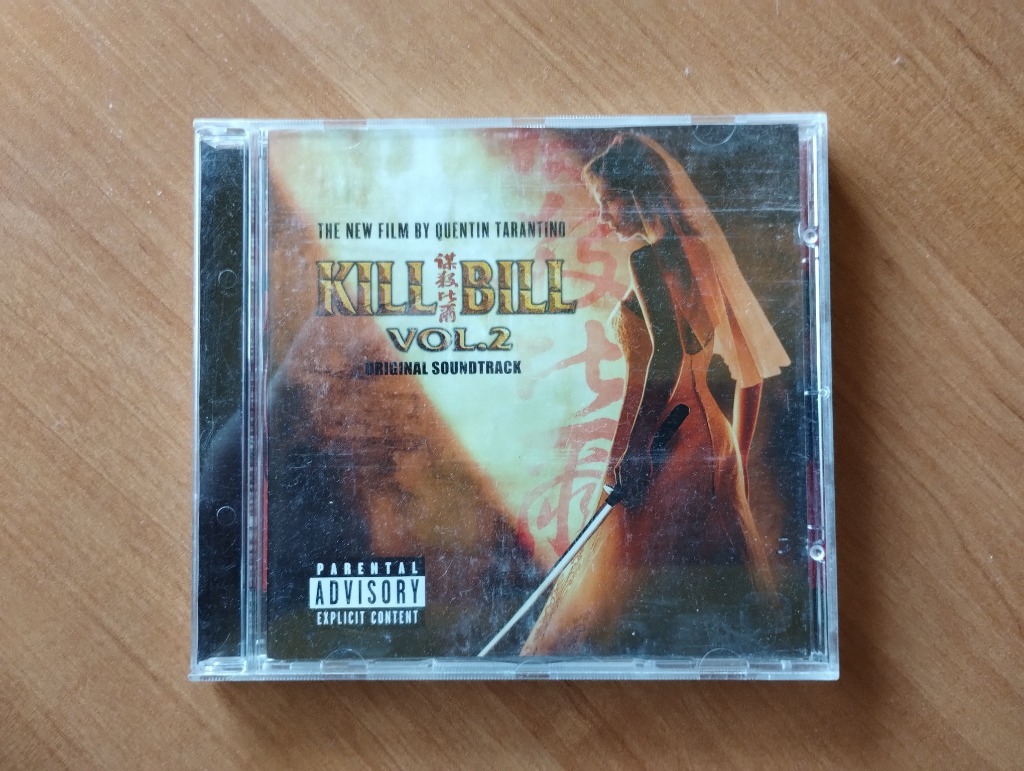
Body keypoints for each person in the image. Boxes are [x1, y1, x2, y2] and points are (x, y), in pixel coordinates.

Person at [520, 134, 791, 655]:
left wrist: (628, 452)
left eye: (607, 202)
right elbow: (751, 376)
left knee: (624, 596)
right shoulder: (704, 253)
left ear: (636, 193)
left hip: (669, 441)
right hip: (713, 442)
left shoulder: (649, 259)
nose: (603, 217)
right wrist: (730, 463)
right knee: (712, 592)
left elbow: (661, 362)